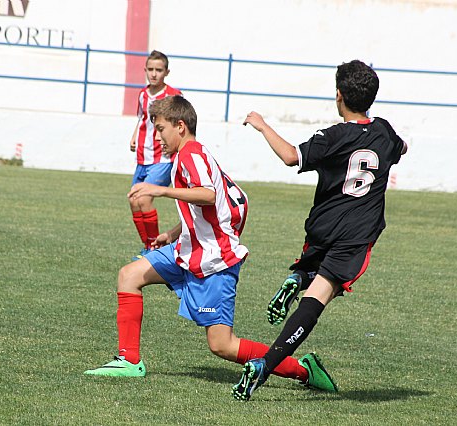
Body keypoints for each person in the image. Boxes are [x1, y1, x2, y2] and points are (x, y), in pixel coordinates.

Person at [85, 96, 336, 394]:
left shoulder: (190, 154)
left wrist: (161, 190)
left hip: (213, 263)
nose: (158, 137)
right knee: (129, 275)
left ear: (180, 126)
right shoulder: (195, 153)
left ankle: (303, 371)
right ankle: (129, 360)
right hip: (186, 251)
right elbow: (232, 201)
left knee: (222, 345)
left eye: (162, 129)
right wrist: (175, 232)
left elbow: (208, 195)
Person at [233, 59, 408, 401]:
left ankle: (300, 275)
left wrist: (262, 125)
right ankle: (265, 365)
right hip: (355, 237)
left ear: (339, 96)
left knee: (314, 274)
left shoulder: (332, 136)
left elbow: (289, 156)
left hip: (321, 228)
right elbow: (402, 148)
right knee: (316, 301)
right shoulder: (386, 132)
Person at [128, 50, 182, 261]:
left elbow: (181, 122)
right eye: (150, 69)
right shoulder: (142, 94)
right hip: (143, 156)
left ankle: (154, 248)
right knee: (134, 200)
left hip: (162, 158)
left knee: (144, 197)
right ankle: (148, 246)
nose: (154, 74)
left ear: (166, 72)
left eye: (158, 70)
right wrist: (134, 136)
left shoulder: (173, 95)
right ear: (145, 70)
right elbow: (142, 119)